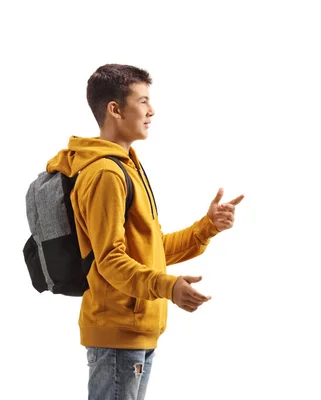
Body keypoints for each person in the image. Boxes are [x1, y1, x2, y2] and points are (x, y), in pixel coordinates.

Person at [46, 64, 244, 400]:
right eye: (143, 101)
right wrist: (168, 287)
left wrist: (206, 228)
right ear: (115, 109)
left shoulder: (127, 166)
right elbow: (110, 260)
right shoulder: (106, 174)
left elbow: (150, 250)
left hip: (134, 331)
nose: (152, 111)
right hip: (117, 334)